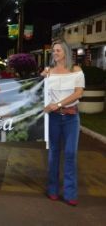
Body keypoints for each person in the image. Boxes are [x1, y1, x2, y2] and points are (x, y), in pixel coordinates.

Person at [42, 41, 84, 206]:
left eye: (58, 50)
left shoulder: (76, 70)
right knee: (53, 154)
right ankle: (52, 189)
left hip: (71, 118)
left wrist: (58, 104)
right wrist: (42, 75)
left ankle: (70, 193)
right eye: (53, 50)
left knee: (70, 154)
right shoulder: (49, 71)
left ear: (66, 52)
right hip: (53, 118)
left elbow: (79, 93)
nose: (55, 53)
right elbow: (37, 87)